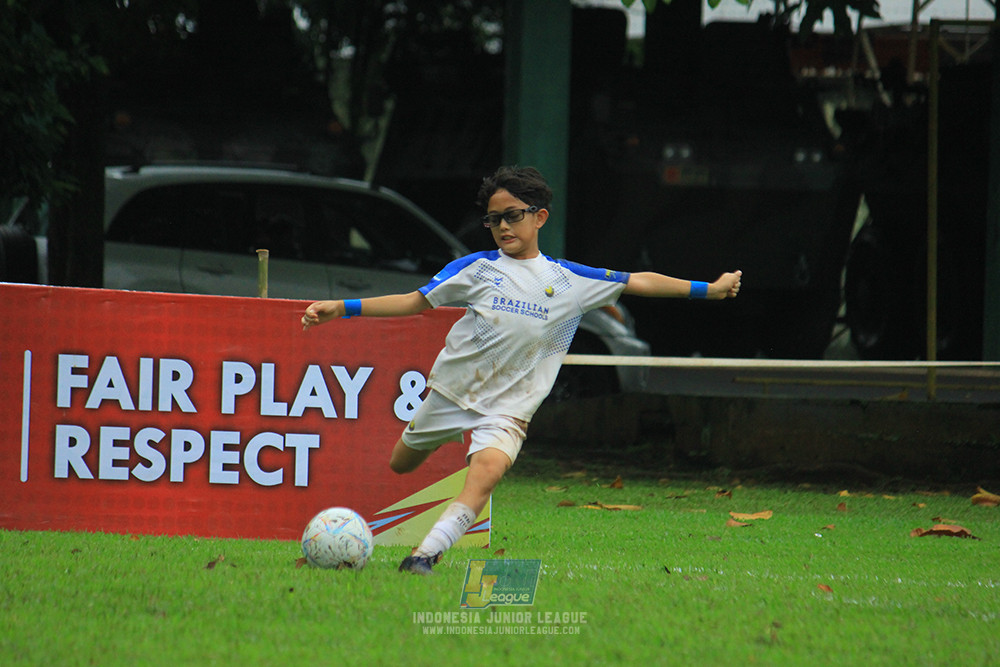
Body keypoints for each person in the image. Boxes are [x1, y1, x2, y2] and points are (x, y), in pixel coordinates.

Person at [301, 166, 741, 575]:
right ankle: (436, 451)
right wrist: (343, 308)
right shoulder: (477, 268)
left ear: (540, 217)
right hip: (451, 395)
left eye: (512, 216)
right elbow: (416, 300)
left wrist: (710, 289)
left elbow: (638, 280)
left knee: (486, 475)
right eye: (494, 220)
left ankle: (425, 555)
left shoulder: (569, 280)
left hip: (508, 410)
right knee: (401, 464)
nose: (503, 227)